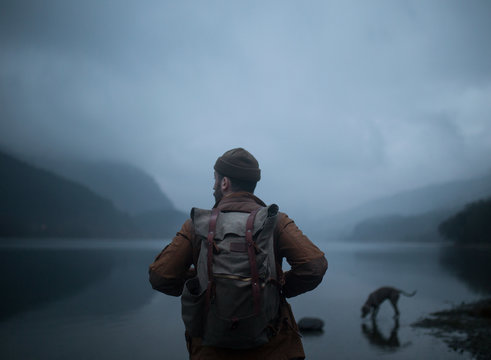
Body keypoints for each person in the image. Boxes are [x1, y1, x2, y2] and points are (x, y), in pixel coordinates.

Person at [149, 148, 327, 360]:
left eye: (215, 180)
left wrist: (204, 280)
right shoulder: (275, 221)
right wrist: (274, 285)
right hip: (273, 350)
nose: (213, 185)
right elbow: (314, 267)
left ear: (224, 183)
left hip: (211, 352)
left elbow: (160, 277)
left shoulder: (197, 225)